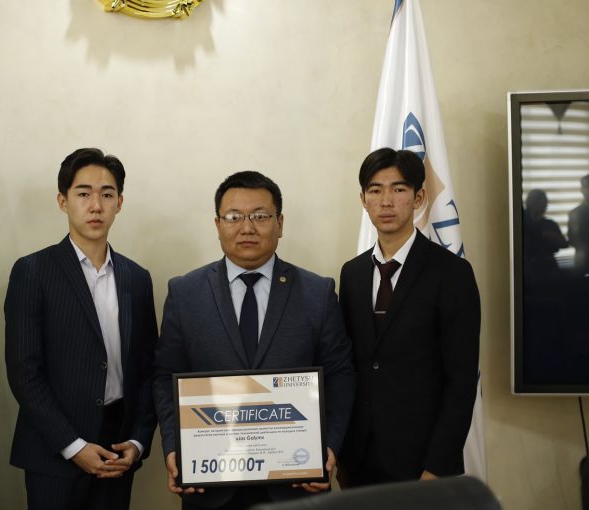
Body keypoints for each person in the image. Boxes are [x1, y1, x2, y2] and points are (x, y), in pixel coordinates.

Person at [153, 171, 355, 510]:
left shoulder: (317, 293)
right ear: (217, 224)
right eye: (234, 217)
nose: (247, 228)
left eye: (260, 216)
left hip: (296, 484)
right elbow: (164, 376)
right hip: (210, 488)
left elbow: (340, 375)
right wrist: (174, 447)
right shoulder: (185, 293)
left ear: (280, 223)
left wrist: (329, 447)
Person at [4, 148, 158, 510]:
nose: (96, 206)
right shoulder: (33, 272)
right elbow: (24, 373)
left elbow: (149, 369)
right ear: (63, 201)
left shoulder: (137, 278)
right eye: (83, 193)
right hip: (54, 451)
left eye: (107, 194)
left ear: (120, 203)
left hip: (117, 448)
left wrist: (137, 442)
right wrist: (73, 446)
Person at [337, 148, 480, 486]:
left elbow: (461, 381)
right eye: (375, 190)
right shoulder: (352, 273)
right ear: (363, 199)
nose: (386, 201)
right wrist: (341, 454)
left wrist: (438, 465)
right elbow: (349, 366)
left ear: (419, 198)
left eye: (398, 189)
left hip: (422, 462)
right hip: (359, 460)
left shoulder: (452, 273)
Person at [523, 189, 568, 277]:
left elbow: (564, 244)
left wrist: (548, 235)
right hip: (529, 268)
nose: (546, 205)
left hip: (548, 267)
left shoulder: (549, 224)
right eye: (543, 202)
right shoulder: (523, 223)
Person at [568, 174, 589, 275]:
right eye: (586, 187)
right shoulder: (575, 213)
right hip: (583, 262)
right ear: (582, 190)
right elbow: (572, 239)